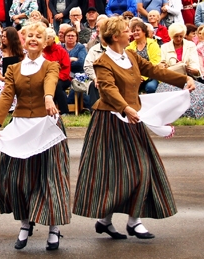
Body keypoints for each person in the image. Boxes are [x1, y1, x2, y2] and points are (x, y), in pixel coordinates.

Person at [73, 16, 196, 240]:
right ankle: (110, 220)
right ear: (116, 36)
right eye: (126, 30)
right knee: (116, 173)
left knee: (142, 168)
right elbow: (108, 90)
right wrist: (125, 108)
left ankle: (129, 221)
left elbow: (154, 70)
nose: (130, 32)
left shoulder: (129, 55)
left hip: (132, 119)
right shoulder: (103, 62)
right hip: (110, 121)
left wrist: (183, 79)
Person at [0, 20, 70, 251]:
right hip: (22, 124)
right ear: (24, 40)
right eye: (30, 36)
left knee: (51, 178)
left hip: (47, 125)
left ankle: (54, 227)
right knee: (19, 179)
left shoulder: (51, 65)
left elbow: (51, 82)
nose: (33, 39)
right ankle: (25, 224)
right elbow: (6, 96)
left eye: (38, 36)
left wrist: (47, 97)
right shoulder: (14, 68)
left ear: (45, 42)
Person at [127, 18, 161, 93]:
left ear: (144, 32)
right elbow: (128, 64)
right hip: (136, 76)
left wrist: (143, 77)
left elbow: (155, 62)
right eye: (133, 31)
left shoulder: (153, 44)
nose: (135, 32)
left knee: (150, 87)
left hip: (152, 74)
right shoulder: (129, 46)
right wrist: (136, 76)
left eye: (138, 30)